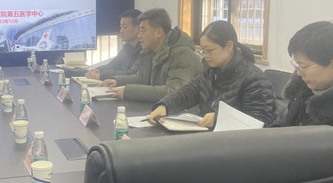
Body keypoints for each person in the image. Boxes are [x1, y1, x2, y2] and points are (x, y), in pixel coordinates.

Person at [148, 20, 276, 128]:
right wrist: (164, 106)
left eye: (209, 50)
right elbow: (188, 92)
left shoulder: (254, 79)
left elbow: (257, 122)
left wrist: (219, 118)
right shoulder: (211, 71)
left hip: (238, 145)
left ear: (229, 46)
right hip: (211, 138)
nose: (205, 56)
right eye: (202, 51)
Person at [274, 21, 333, 149]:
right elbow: (281, 125)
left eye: (304, 66)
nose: (299, 73)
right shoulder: (303, 88)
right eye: (297, 65)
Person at [101, 8, 202, 102]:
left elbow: (173, 92)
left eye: (143, 31)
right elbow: (142, 78)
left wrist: (127, 91)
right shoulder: (150, 51)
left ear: (159, 33)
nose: (139, 36)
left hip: (183, 112)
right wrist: (116, 80)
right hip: (159, 107)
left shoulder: (183, 55)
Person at [86, 9, 142, 80]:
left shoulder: (145, 50)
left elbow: (131, 73)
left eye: (125, 27)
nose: (121, 31)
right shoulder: (127, 48)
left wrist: (101, 75)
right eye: (121, 27)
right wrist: (97, 70)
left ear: (138, 29)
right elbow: (112, 65)